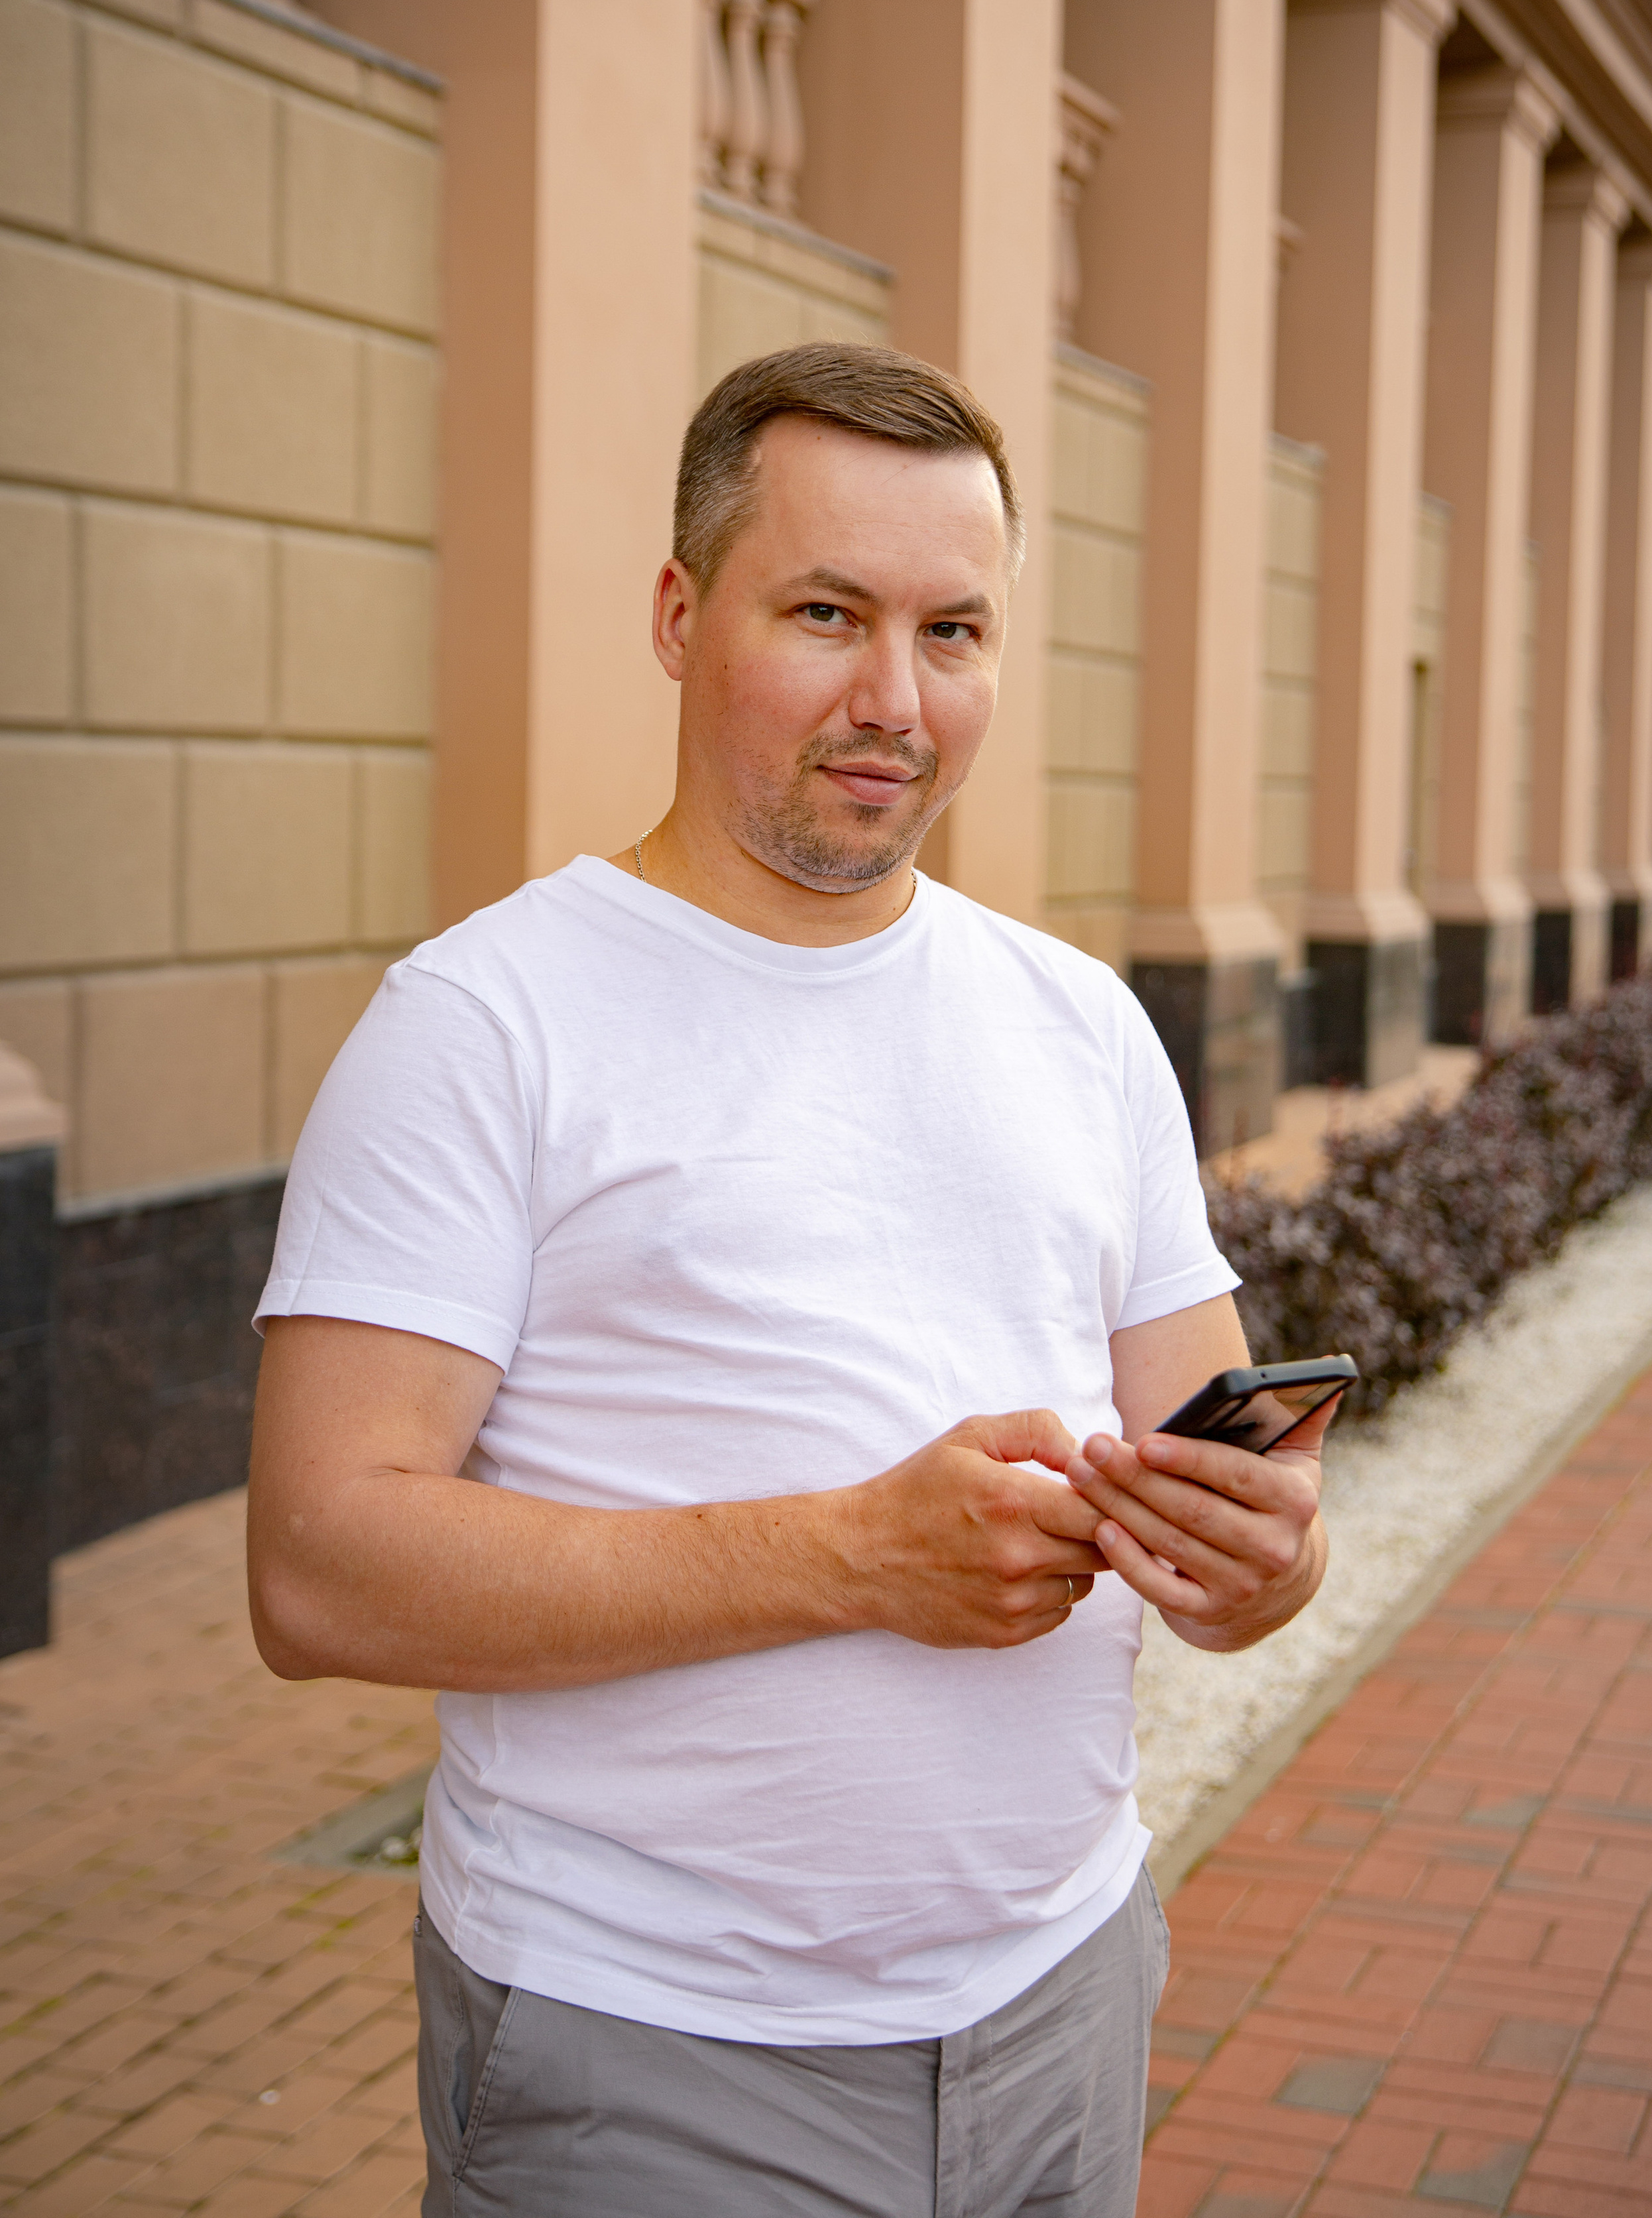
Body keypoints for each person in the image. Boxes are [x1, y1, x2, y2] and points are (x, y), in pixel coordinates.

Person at [247, 343, 1334, 2218]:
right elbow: (316, 1569)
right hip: (646, 2051)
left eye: (957, 633)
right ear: (681, 616)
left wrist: (1268, 1561)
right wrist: (851, 1556)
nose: (895, 702)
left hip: (1063, 1999)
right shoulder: (481, 1023)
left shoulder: (1080, 1024)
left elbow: (1224, 1469)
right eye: (827, 614)